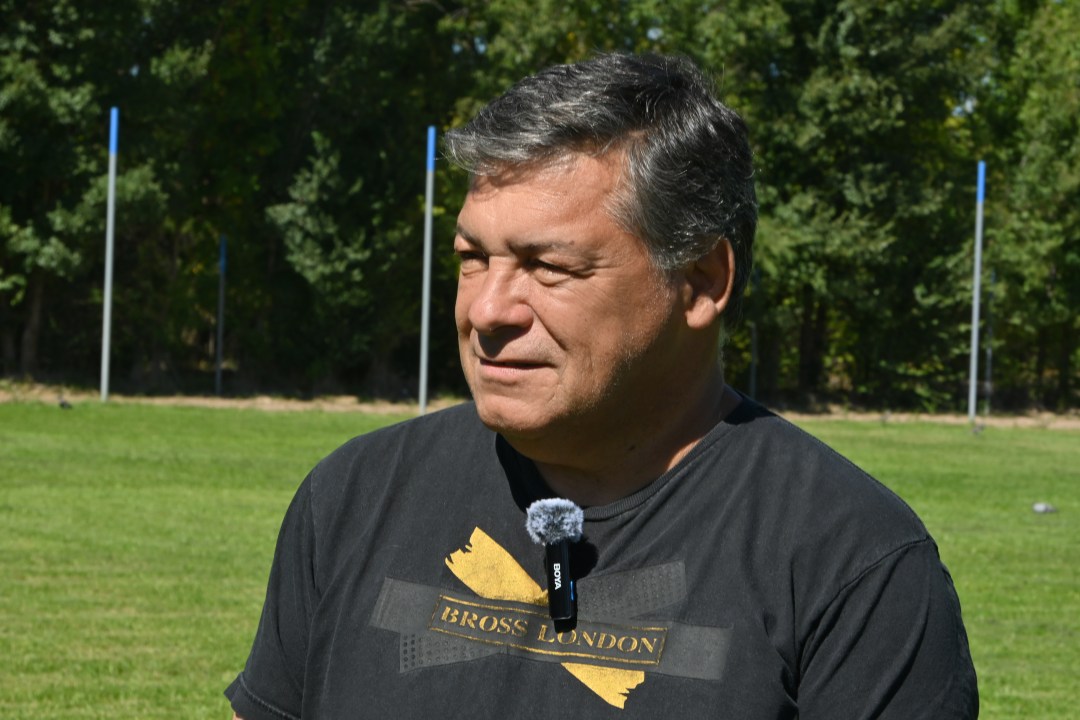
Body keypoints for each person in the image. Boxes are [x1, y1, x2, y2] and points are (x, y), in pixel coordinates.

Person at [226, 53, 978, 719]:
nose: (486, 310)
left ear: (701, 280)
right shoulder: (353, 499)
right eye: (472, 258)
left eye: (548, 267)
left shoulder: (853, 563)